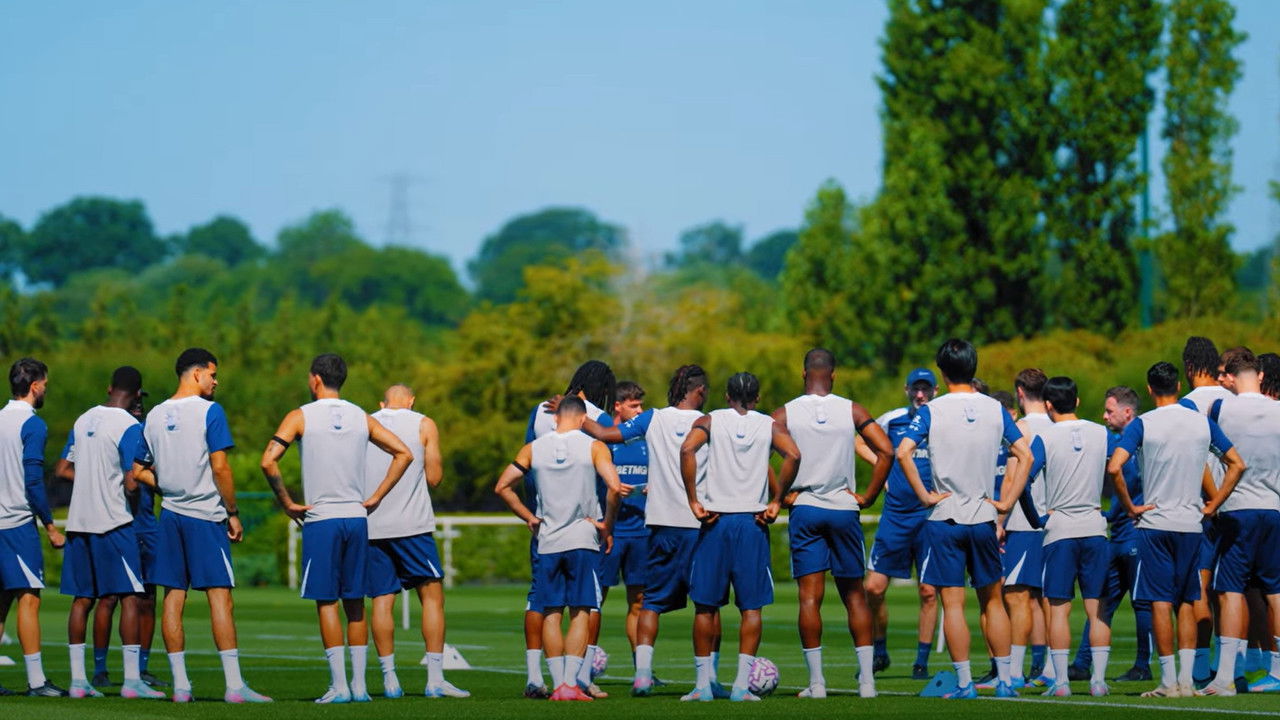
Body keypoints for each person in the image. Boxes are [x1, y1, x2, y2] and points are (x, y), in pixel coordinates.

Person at [260, 353, 413, 703]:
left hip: (322, 519)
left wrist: (287, 502)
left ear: (315, 379)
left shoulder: (300, 415)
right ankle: (360, 686)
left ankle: (339, 686)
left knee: (327, 602)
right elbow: (404, 453)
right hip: (357, 519)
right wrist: (376, 497)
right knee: (355, 602)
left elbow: (268, 461)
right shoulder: (361, 416)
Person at [896, 338, 1034, 699]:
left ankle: (964, 684)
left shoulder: (932, 409)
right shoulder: (995, 408)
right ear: (974, 368)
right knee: (993, 600)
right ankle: (1005, 682)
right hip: (984, 517)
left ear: (942, 371)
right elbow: (1026, 455)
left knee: (953, 604)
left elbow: (903, 452)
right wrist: (1006, 502)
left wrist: (925, 495)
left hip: (945, 517)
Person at [1109, 360, 1245, 697]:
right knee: (1187, 600)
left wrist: (1130, 507)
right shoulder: (1201, 422)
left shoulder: (1143, 423)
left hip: (1155, 523)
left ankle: (1168, 682)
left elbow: (1114, 468)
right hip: (1191, 524)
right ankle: (1186, 680)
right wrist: (1213, 504)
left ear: (1150, 389)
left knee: (1159, 601)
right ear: (1179, 387)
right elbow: (1236, 463)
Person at [579, 365, 717, 696]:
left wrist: (574, 415)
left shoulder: (653, 418)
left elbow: (604, 434)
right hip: (699, 524)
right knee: (707, 604)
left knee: (650, 602)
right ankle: (707, 680)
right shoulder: (710, 422)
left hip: (659, 525)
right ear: (699, 391)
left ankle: (642, 675)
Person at [145, 348, 269, 703]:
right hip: (205, 515)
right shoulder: (210, 411)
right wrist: (232, 511)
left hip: (170, 515)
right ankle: (234, 686)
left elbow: (138, 469)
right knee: (220, 598)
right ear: (197, 373)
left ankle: (181, 687)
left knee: (173, 598)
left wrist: (170, 487)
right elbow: (220, 467)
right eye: (213, 374)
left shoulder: (154, 414)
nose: (216, 381)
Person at [495, 396, 626, 701]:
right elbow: (614, 487)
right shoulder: (594, 446)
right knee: (581, 610)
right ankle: (570, 682)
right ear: (582, 420)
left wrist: (529, 517)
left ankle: (557, 685)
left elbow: (502, 486)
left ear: (556, 419)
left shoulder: (533, 448)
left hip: (548, 540)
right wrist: (607, 523)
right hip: (583, 539)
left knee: (551, 612)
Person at [778, 349, 893, 698]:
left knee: (809, 599)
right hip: (844, 509)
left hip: (806, 508)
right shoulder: (852, 409)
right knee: (855, 596)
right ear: (834, 374)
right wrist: (869, 496)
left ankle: (817, 684)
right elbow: (887, 451)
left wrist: (778, 494)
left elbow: (755, 445)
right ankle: (867, 683)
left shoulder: (786, 412)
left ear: (804, 374)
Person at [680, 372, 800, 702]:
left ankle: (702, 686)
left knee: (705, 607)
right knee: (751, 608)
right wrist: (777, 501)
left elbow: (687, 449)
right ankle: (741, 687)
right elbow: (794, 455)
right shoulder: (769, 425)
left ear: (727, 396)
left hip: (716, 521)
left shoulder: (710, 420)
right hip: (752, 523)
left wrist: (693, 500)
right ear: (757, 398)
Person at [58, 366, 158, 699]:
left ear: (109, 387)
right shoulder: (129, 425)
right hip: (114, 522)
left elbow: (64, 468)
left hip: (78, 523)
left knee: (82, 599)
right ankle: (132, 681)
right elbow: (132, 480)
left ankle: (78, 682)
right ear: (137, 394)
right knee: (130, 595)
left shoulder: (82, 419)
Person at [363, 384, 468, 699]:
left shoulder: (366, 421)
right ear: (411, 402)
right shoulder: (423, 423)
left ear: (382, 403)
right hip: (413, 525)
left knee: (382, 600)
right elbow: (434, 477)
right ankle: (435, 680)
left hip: (373, 524)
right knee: (432, 598)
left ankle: (389, 680)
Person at [521, 361, 615, 698]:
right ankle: (580, 677)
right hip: (583, 527)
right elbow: (607, 478)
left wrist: (533, 513)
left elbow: (526, 470)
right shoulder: (599, 418)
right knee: (587, 603)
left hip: (545, 522)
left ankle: (535, 676)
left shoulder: (539, 411)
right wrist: (605, 523)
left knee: (540, 600)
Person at [1198, 347, 1280, 696]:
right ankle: (1277, 671)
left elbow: (1206, 455)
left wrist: (1214, 500)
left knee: (1230, 590)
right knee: (1275, 590)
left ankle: (1226, 676)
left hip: (1237, 508)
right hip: (1273, 508)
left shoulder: (1220, 408)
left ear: (1229, 378)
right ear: (1259, 375)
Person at [1024, 376, 1112, 698]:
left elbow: (1024, 481)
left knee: (1059, 608)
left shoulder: (1044, 437)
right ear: (1076, 401)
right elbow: (1121, 470)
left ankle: (1061, 682)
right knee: (1097, 608)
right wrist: (1116, 511)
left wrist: (1036, 519)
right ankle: (1098, 681)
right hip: (1094, 527)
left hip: (1060, 528)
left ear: (1048, 405)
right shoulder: (1101, 432)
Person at [1069, 386, 1154, 683]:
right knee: (1101, 599)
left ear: (1127, 412)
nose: (1104, 417)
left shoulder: (1143, 443)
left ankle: (1143, 665)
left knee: (1142, 602)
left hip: (1137, 533)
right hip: (1116, 534)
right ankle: (1082, 664)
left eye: (1109, 411)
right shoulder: (1115, 443)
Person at [860, 368, 939, 680]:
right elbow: (860, 442)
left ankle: (921, 662)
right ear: (907, 390)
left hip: (929, 518)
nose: (920, 395)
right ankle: (880, 650)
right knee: (873, 588)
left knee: (928, 591)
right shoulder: (892, 420)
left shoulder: (942, 419)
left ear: (935, 391)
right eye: (915, 389)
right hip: (895, 516)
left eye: (926, 389)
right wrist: (883, 469)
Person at [0, 358, 65, 696]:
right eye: (46, 385)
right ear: (36, 385)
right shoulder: (33, 424)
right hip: (15, 523)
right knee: (29, 597)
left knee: (1, 601)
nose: (46, 391)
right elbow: (33, 481)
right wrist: (50, 525)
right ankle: (37, 681)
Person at [1179, 336, 1234, 683]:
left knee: (1198, 584)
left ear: (1189, 367)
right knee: (1233, 589)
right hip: (1239, 503)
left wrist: (1213, 500)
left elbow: (1195, 458)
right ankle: (1236, 664)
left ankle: (1200, 664)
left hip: (1203, 506)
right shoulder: (1235, 398)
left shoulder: (1187, 406)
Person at [1002, 369, 1053, 689]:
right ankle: (1050, 667)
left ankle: (1014, 671)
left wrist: (999, 521)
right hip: (1053, 523)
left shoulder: (1020, 429)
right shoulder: (1058, 425)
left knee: (1017, 596)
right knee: (1047, 598)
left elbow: (1011, 478)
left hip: (1024, 522)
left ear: (1020, 393)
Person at [598, 382, 650, 674]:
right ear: (617, 406)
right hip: (611, 532)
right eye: (634, 405)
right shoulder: (606, 441)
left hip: (641, 532)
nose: (640, 411)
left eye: (641, 405)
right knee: (595, 600)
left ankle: (641, 670)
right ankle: (581, 669)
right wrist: (613, 485)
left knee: (639, 602)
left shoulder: (647, 440)